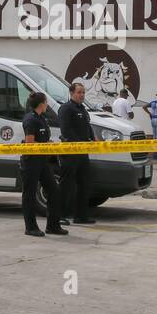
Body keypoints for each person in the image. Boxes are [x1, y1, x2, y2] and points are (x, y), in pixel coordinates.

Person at [20, 92, 65, 237]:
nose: (47, 105)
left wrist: (49, 145)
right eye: (46, 102)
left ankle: (53, 225)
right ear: (41, 104)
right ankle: (30, 227)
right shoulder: (30, 119)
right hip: (31, 161)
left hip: (42, 161)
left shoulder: (41, 118)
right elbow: (29, 142)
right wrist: (45, 145)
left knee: (54, 190)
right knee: (29, 195)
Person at [57, 81, 96, 225]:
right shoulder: (65, 109)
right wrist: (79, 143)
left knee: (84, 184)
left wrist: (93, 138)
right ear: (71, 93)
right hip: (71, 151)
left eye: (83, 92)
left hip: (83, 152)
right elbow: (66, 130)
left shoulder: (83, 109)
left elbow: (87, 126)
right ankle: (60, 215)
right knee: (66, 185)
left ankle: (81, 216)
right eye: (79, 92)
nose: (82, 95)